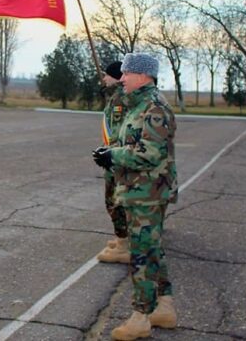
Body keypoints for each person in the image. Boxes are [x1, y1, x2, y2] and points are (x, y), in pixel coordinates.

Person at [92, 53, 178, 340]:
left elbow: (150, 153)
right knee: (153, 250)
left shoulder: (154, 107)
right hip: (139, 190)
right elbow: (128, 140)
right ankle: (164, 307)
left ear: (142, 75)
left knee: (142, 255)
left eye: (127, 73)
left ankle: (141, 317)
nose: (123, 78)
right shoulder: (139, 104)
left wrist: (113, 156)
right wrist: (110, 152)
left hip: (147, 193)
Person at [96, 61, 129, 264]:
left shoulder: (119, 100)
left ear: (116, 77)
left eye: (106, 75)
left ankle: (124, 245)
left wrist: (109, 154)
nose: (104, 78)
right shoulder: (116, 97)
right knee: (114, 201)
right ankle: (122, 239)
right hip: (114, 156)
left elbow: (118, 132)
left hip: (116, 159)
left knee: (115, 202)